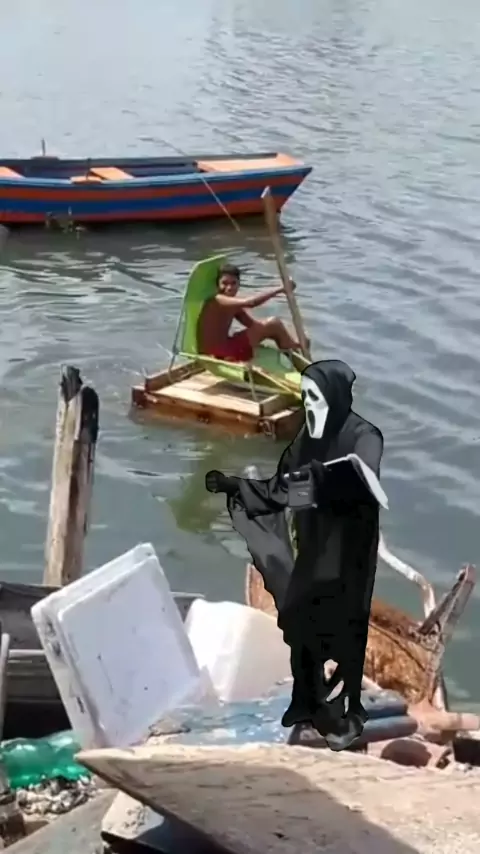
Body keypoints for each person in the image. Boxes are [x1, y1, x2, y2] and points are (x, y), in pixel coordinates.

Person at [197, 263, 301, 363]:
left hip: (225, 347)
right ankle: (293, 350)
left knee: (274, 326)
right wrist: (281, 289)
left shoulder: (233, 305)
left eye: (233, 283)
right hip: (216, 353)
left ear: (239, 284)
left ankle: (293, 350)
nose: (229, 288)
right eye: (224, 283)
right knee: (273, 323)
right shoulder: (217, 300)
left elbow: (253, 324)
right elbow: (251, 303)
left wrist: (280, 334)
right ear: (218, 284)